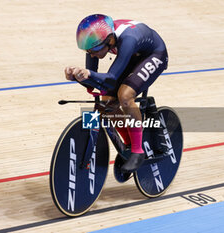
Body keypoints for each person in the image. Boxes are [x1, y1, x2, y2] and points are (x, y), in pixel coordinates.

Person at [65, 14, 168, 173]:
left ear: (110, 40)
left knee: (125, 96)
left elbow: (111, 78)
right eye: (88, 51)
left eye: (94, 50)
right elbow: (93, 78)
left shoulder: (127, 39)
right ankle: (128, 143)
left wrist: (88, 75)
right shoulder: (96, 41)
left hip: (154, 54)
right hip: (133, 54)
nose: (91, 54)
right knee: (106, 103)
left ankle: (137, 151)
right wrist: (76, 76)